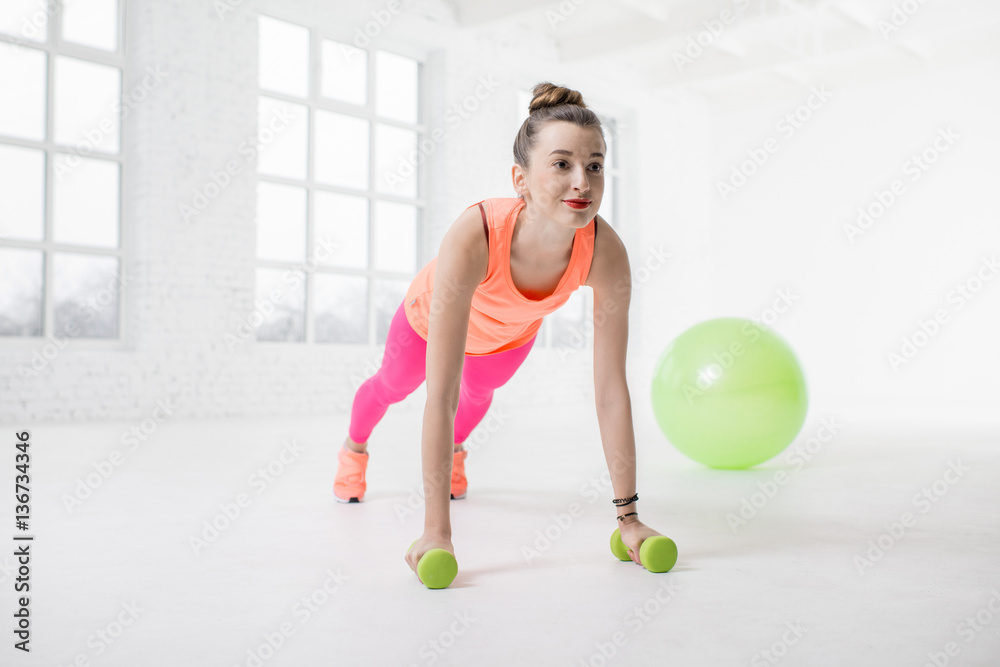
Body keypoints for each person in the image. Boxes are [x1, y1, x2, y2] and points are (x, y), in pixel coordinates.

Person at [334, 82, 666, 576]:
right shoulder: (478, 233)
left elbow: (611, 393)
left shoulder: (606, 253)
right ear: (521, 179)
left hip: (507, 336)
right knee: (396, 385)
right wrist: (436, 533)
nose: (582, 181)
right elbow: (439, 393)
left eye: (595, 165)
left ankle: (457, 450)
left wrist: (630, 519)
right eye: (561, 164)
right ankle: (355, 449)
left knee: (478, 397)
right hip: (429, 322)